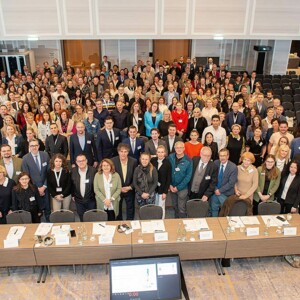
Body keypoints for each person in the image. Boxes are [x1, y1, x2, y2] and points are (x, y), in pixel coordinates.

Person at [219, 152, 258, 216]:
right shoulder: (237, 168)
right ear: (242, 159)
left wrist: (246, 195)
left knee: (245, 214)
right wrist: (236, 190)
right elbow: (234, 181)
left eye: (248, 160)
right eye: (245, 159)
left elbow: (255, 185)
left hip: (248, 196)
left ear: (251, 161)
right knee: (234, 212)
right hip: (237, 195)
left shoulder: (254, 170)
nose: (246, 162)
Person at [21, 139, 50, 221]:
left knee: (48, 208)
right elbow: (26, 176)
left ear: (39, 146)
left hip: (45, 187)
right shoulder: (25, 158)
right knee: (37, 210)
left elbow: (49, 172)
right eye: (32, 146)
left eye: (36, 145)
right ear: (29, 147)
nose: (34, 147)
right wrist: (36, 188)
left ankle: (49, 223)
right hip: (33, 189)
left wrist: (44, 186)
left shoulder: (45, 155)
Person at [112, 144, 138, 220]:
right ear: (118, 152)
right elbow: (111, 177)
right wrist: (119, 188)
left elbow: (135, 177)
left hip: (129, 189)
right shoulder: (113, 161)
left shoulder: (134, 161)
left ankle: (130, 223)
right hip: (117, 190)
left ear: (128, 152)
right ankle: (119, 223)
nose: (123, 153)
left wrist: (130, 187)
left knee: (130, 208)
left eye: (125, 151)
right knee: (117, 208)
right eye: (121, 151)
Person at [210, 148, 237, 217]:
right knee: (213, 209)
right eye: (220, 156)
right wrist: (216, 189)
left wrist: (220, 190)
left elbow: (231, 183)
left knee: (225, 211)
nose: (222, 158)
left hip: (226, 193)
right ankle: (215, 223)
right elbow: (212, 178)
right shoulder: (215, 163)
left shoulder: (233, 167)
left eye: (224, 155)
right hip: (215, 191)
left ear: (228, 156)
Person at [168, 141, 193, 218]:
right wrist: (170, 185)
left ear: (184, 148)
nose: (179, 149)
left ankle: (183, 224)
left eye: (181, 147)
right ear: (174, 148)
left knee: (181, 208)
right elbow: (167, 171)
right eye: (177, 147)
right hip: (172, 187)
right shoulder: (170, 157)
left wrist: (178, 187)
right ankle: (176, 222)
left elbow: (188, 176)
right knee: (175, 206)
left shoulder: (189, 160)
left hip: (182, 188)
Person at [71, 154, 97, 221]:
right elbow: (71, 184)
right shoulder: (73, 171)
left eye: (83, 160)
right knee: (81, 217)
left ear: (86, 161)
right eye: (79, 161)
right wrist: (73, 195)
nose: (81, 162)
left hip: (91, 199)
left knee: (92, 217)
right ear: (76, 162)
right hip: (79, 200)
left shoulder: (93, 171)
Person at [151, 145, 171, 219]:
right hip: (154, 188)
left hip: (162, 189)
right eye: (158, 152)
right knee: (155, 205)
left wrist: (165, 192)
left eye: (162, 152)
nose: (160, 154)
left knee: (161, 206)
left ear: (165, 153)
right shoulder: (152, 161)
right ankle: (155, 219)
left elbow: (168, 178)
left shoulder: (168, 163)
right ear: (156, 153)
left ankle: (161, 220)